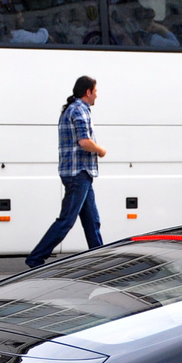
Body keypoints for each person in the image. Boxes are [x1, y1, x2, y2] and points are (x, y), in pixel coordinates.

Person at [27, 76, 106, 268]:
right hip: (78, 172)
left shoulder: (72, 109)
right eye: (95, 90)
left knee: (92, 221)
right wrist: (101, 150)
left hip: (81, 173)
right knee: (66, 221)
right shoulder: (79, 110)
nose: (97, 94)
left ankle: (101, 260)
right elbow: (84, 142)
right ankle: (36, 258)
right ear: (88, 92)